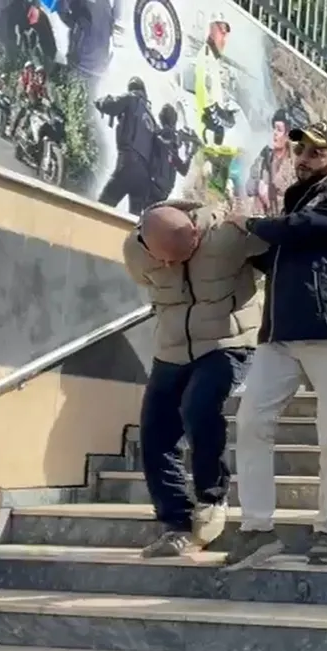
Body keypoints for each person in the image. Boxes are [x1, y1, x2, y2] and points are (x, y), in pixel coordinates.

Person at [224, 120, 327, 569]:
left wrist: (249, 222)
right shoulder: (296, 199)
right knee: (251, 422)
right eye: (299, 150)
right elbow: (279, 253)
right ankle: (257, 529)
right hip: (281, 334)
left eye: (315, 152)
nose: (303, 159)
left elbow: (301, 229)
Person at [121, 200, 266, 558]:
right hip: (170, 350)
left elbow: (283, 247)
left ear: (196, 234)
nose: (170, 265)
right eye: (163, 260)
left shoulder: (228, 235)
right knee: (155, 433)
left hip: (228, 342)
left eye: (180, 256)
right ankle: (176, 525)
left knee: (198, 407)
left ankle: (212, 498)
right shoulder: (135, 250)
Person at [96, 76, 157, 215]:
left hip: (128, 163)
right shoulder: (152, 119)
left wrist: (99, 102)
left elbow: (111, 105)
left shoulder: (131, 98)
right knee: (133, 220)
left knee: (102, 208)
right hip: (144, 176)